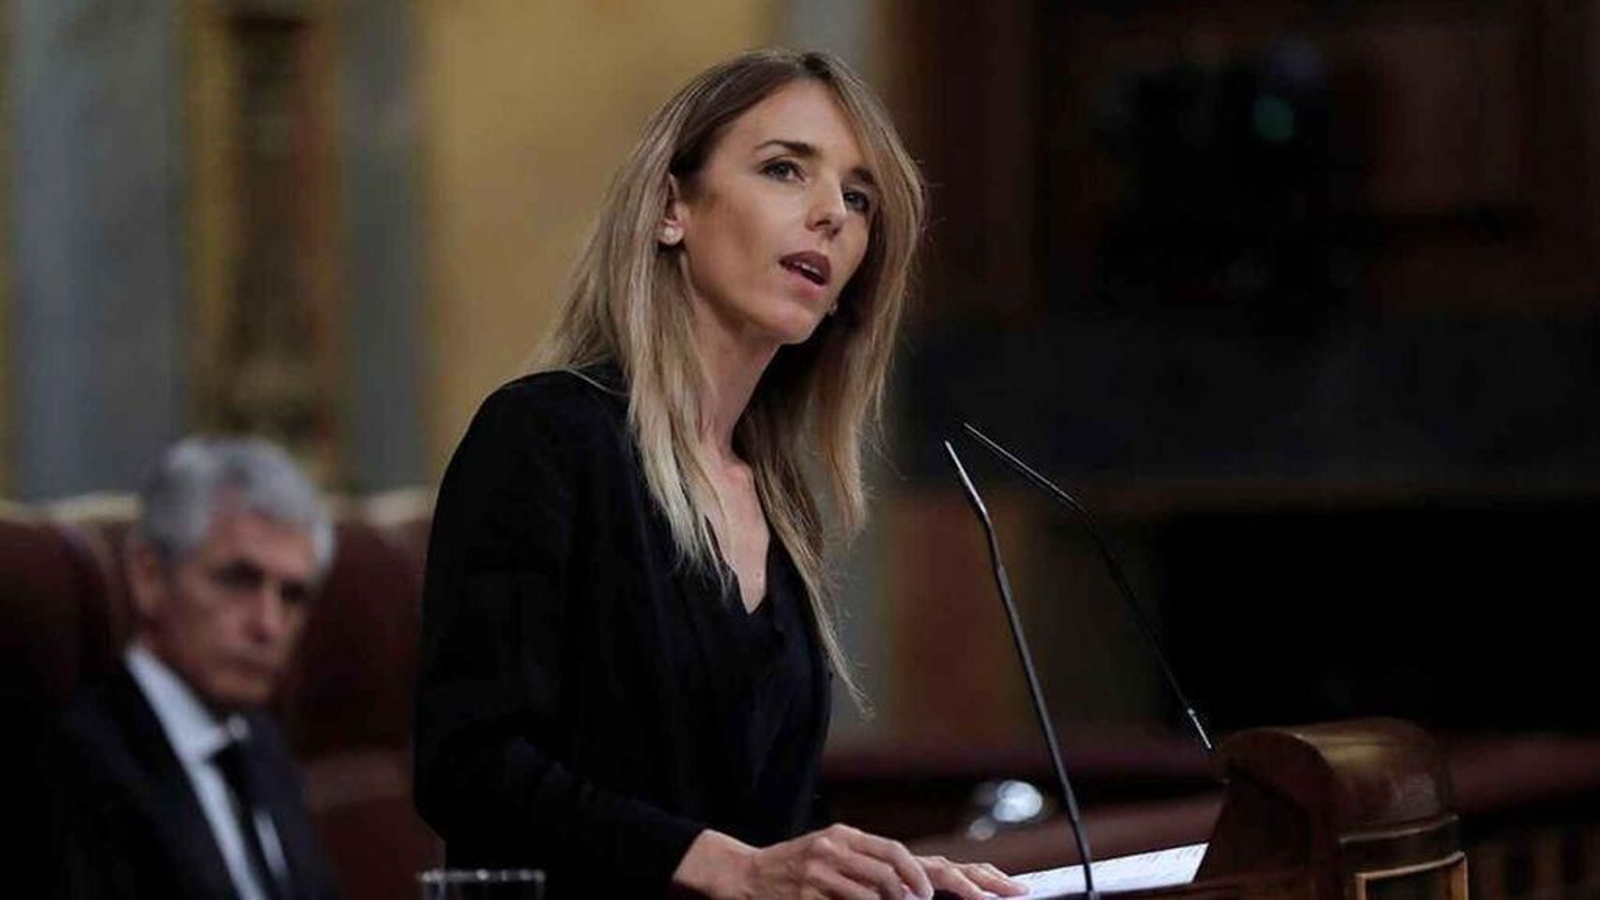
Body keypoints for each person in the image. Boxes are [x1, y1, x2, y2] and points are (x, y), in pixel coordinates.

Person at [414, 49, 1026, 899]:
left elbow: (761, 826)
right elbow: (468, 766)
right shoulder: (546, 437)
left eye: (858, 198)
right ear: (672, 208)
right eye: (785, 170)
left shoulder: (779, 500)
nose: (831, 217)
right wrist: (722, 865)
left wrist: (876, 877)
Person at [48, 438, 341, 899]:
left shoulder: (260, 745)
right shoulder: (74, 765)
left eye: (292, 596)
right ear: (148, 576)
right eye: (238, 580)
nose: (269, 625)